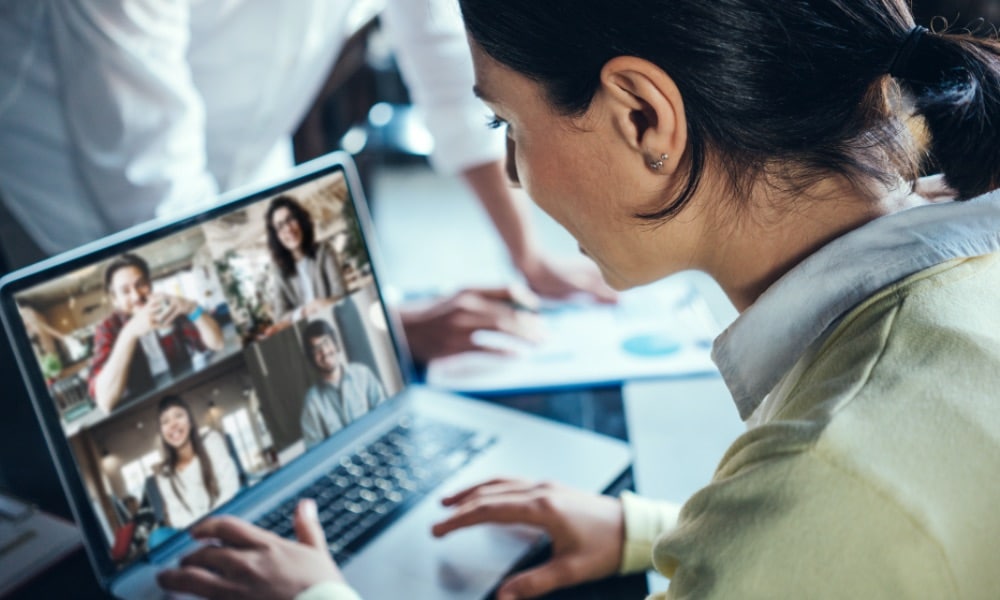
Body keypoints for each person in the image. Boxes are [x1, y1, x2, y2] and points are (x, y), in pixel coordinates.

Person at [160, 1, 1000, 598]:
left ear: (643, 119)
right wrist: (661, 534)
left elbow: (812, 516)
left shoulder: (814, 477)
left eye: (507, 128)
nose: (516, 176)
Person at [0, 1, 614, 358]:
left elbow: (450, 66)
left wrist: (526, 255)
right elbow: (152, 196)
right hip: (60, 194)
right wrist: (375, 327)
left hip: (242, 162)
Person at [88, 253, 224, 412]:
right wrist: (130, 333)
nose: (136, 295)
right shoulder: (108, 328)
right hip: (144, 410)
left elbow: (218, 344)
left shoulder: (167, 308)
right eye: (125, 291)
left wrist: (192, 308)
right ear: (115, 299)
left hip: (187, 394)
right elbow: (105, 401)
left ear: (150, 284)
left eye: (140, 284)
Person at [154, 395, 240, 530]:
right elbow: (178, 517)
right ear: (162, 432)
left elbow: (230, 487)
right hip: (199, 535)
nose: (173, 424)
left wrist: (215, 525)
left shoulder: (212, 441)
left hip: (229, 521)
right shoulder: (164, 474)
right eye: (165, 421)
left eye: (178, 415)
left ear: (190, 421)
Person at [299, 320, 386, 448]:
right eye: (316, 349)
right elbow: (315, 453)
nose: (324, 352)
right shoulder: (311, 402)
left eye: (326, 343)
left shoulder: (363, 374)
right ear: (311, 358)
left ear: (336, 344)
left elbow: (384, 416)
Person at [266, 195, 348, 326]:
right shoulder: (279, 272)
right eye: (280, 226)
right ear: (276, 236)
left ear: (301, 220)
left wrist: (320, 304)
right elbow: (279, 318)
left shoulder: (324, 251)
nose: (288, 229)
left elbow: (342, 294)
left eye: (290, 219)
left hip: (337, 321)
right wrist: (304, 311)